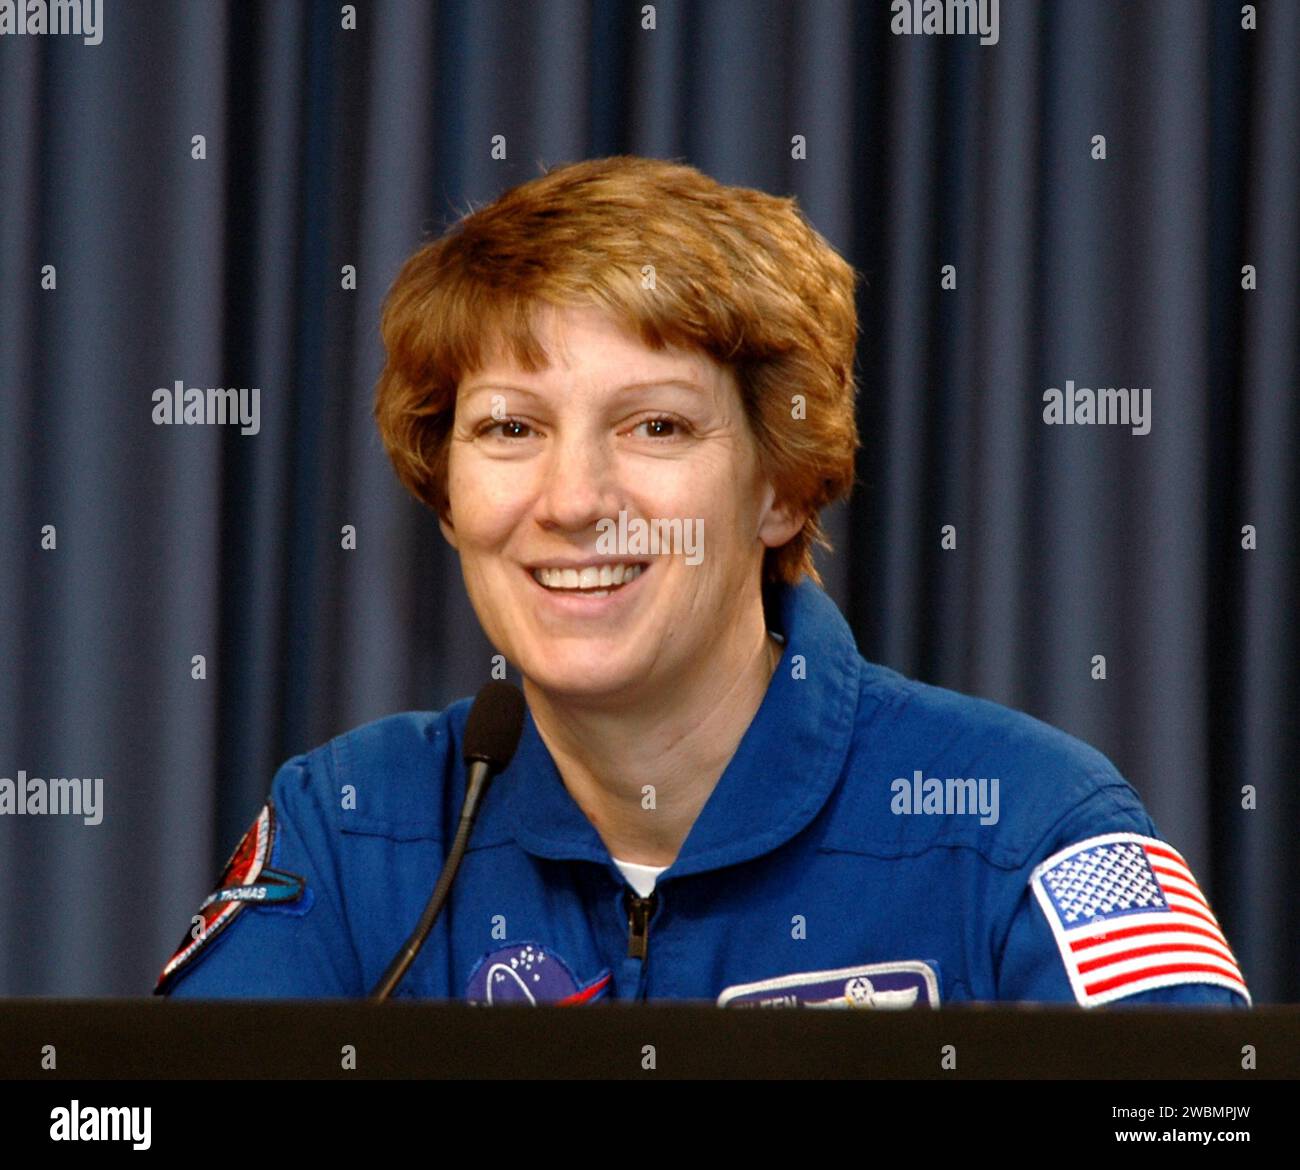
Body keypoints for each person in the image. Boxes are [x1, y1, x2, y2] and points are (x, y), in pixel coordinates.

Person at [156, 156, 1250, 1008]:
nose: (574, 497)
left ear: (780, 487)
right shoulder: (352, 828)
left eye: (657, 425)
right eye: (508, 428)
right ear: (445, 494)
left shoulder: (1025, 826)